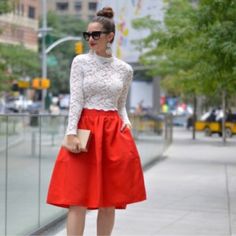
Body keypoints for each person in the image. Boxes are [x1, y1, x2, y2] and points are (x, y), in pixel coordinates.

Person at [47, 7, 146, 236]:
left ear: (110, 36)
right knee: (76, 197)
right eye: (88, 35)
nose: (90, 39)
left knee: (109, 200)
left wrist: (127, 120)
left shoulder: (125, 69)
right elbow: (76, 101)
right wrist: (70, 133)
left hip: (113, 132)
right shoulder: (80, 62)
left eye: (96, 35)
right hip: (85, 128)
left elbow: (121, 104)